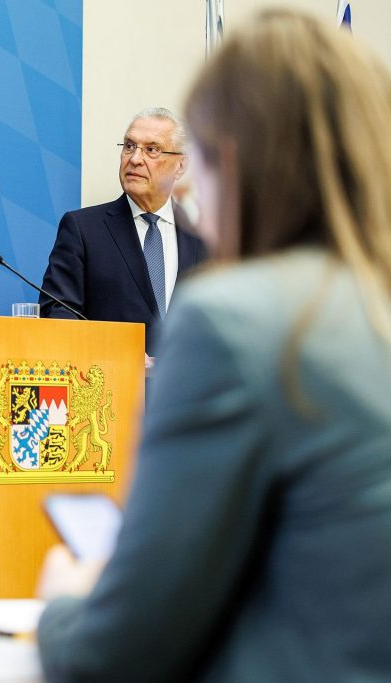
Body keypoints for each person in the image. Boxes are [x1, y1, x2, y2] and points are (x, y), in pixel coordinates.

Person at [37, 10, 391, 681]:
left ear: (232, 160)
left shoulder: (233, 319)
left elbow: (114, 650)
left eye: (191, 151)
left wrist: (65, 597)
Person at [39, 107, 207, 357]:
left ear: (180, 165)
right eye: (129, 146)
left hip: (185, 392)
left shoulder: (203, 237)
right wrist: (120, 359)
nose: (135, 159)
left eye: (152, 149)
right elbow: (58, 314)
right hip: (109, 389)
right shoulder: (83, 230)